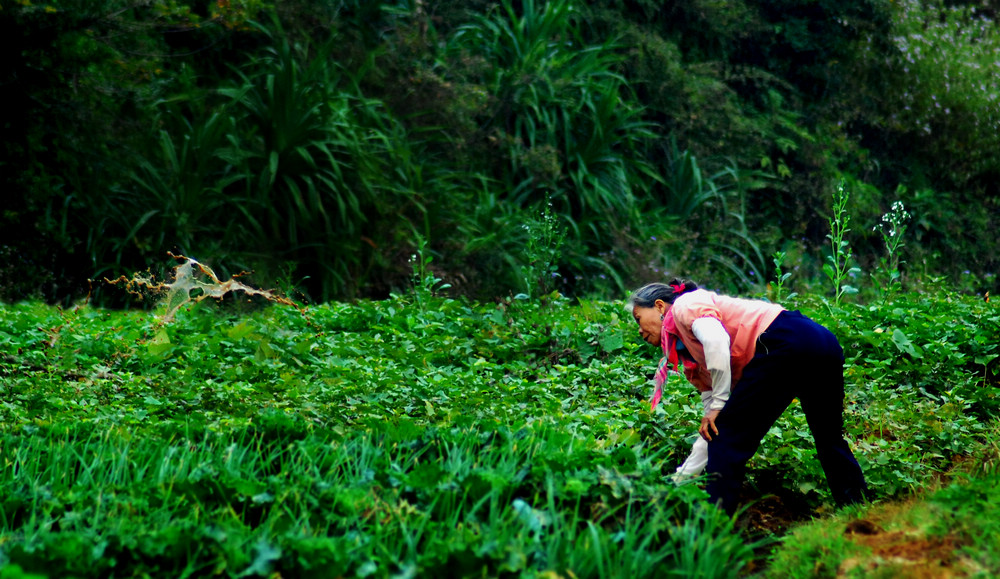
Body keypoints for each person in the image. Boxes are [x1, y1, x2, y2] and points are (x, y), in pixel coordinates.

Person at [627, 279, 868, 514]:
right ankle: (858, 510)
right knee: (829, 438)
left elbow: (716, 339)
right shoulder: (693, 356)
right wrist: (679, 480)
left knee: (728, 439)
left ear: (659, 306)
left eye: (639, 318)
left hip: (782, 341)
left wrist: (720, 403)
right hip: (819, 340)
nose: (639, 330)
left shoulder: (684, 306)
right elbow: (711, 431)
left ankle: (715, 528)